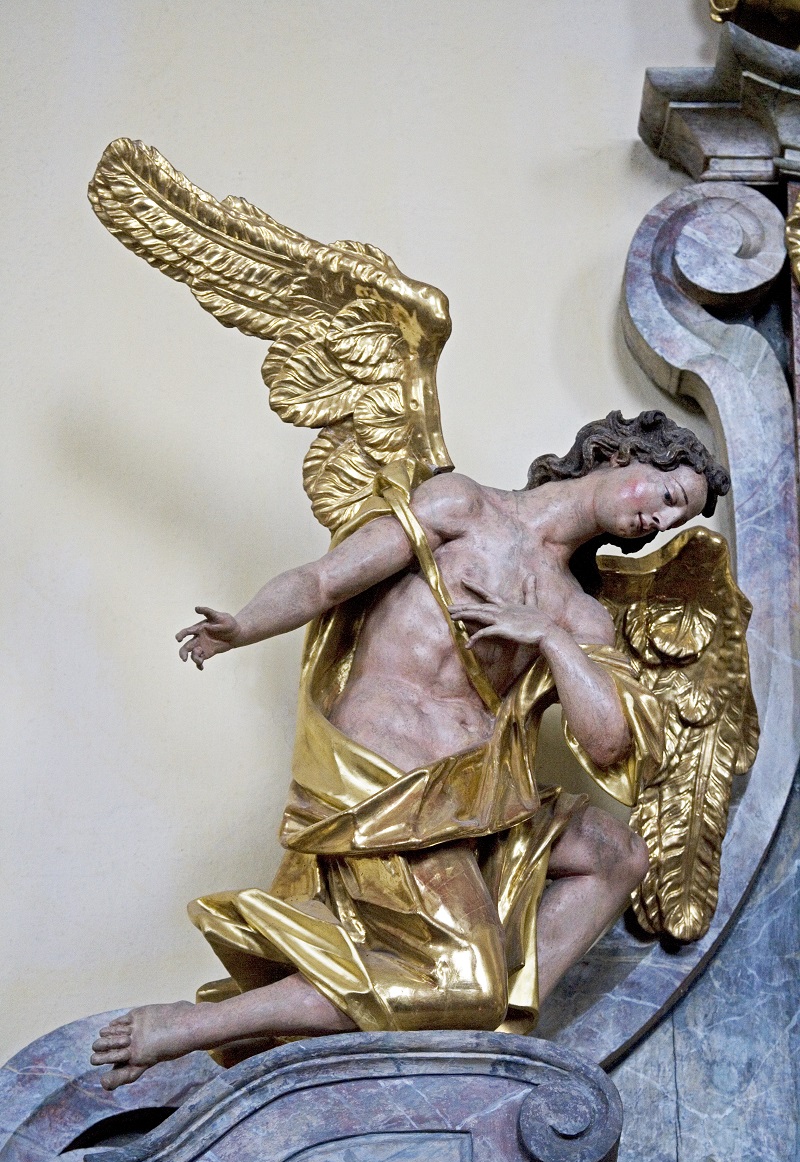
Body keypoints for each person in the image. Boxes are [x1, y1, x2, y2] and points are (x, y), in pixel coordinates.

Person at [91, 410, 729, 1089]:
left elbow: (608, 743)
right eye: (666, 498)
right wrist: (244, 624)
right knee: (465, 980)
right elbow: (325, 582)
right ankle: (188, 1027)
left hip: (475, 798)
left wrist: (547, 637)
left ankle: (491, 1028)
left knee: (616, 853)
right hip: (386, 775)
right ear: (620, 454)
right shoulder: (462, 504)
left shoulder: (577, 612)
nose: (657, 524)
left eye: (674, 522)